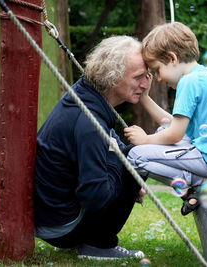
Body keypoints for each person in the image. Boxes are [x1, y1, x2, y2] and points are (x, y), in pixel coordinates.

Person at [33, 36, 150, 260]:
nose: (144, 85)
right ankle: (99, 245)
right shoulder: (90, 122)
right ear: (113, 77)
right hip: (62, 228)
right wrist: (121, 165)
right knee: (138, 155)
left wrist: (129, 179)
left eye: (147, 76)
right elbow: (95, 198)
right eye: (138, 77)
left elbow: (108, 141)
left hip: (50, 218)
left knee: (128, 155)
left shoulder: (86, 96)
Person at [124, 22, 207, 216]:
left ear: (171, 58)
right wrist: (145, 98)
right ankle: (201, 182)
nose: (158, 78)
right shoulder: (201, 76)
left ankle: (200, 182)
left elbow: (174, 135)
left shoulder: (188, 82)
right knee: (161, 133)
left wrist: (145, 140)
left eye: (157, 69)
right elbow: (171, 125)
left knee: (136, 155)